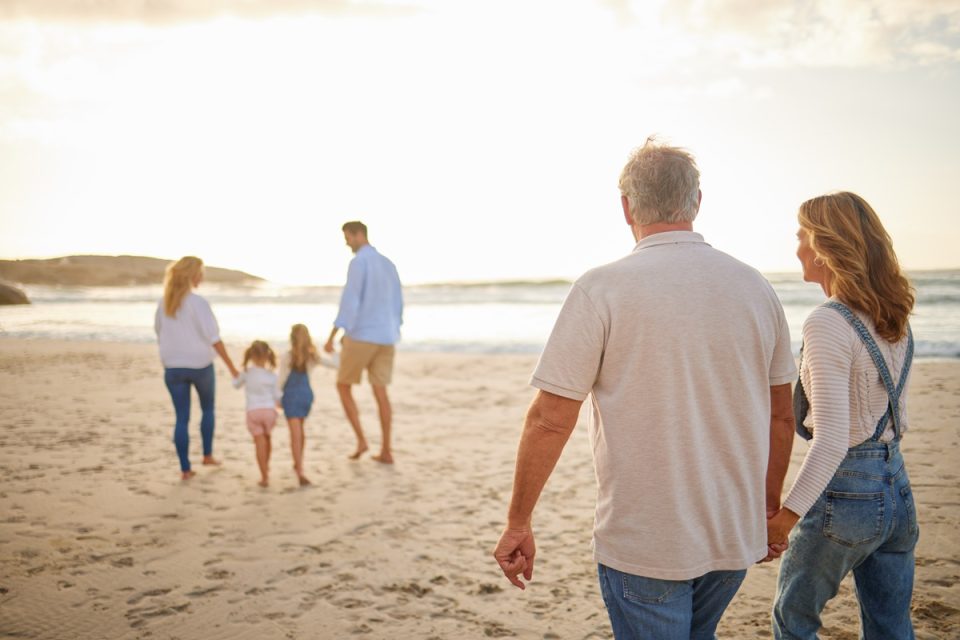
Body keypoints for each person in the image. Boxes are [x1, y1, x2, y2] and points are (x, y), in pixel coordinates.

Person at [492, 137, 798, 639]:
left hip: (646, 540)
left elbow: (550, 418)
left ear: (626, 206)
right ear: (697, 202)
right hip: (731, 531)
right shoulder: (755, 287)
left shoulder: (602, 288)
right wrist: (765, 506)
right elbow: (781, 414)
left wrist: (519, 521)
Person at [767, 192, 917, 639]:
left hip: (848, 495)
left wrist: (787, 515)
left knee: (793, 621)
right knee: (890, 625)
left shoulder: (828, 322)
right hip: (897, 489)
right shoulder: (895, 316)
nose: (796, 247)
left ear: (824, 245)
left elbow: (833, 438)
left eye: (801, 235)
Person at [324, 221, 403, 464]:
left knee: (343, 385)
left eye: (347, 237)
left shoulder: (359, 262)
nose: (346, 242)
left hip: (362, 335)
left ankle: (361, 440)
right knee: (381, 391)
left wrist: (332, 336)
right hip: (387, 336)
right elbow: (398, 303)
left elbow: (351, 300)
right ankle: (386, 450)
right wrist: (395, 328)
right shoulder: (389, 263)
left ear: (359, 235)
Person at [155, 256, 239, 480]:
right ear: (193, 275)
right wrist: (232, 368)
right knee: (207, 410)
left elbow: (159, 332)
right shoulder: (198, 303)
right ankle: (207, 455)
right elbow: (214, 338)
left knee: (181, 418)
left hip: (173, 367)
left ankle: (185, 469)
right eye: (201, 272)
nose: (202, 276)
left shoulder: (164, 303)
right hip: (200, 365)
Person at [233, 340, 282, 487]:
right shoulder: (272, 375)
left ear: (251, 355)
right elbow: (277, 396)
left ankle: (264, 476)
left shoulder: (246, 373)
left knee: (259, 443)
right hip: (269, 411)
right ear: (268, 356)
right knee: (268, 439)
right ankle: (266, 465)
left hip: (253, 411)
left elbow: (235, 385)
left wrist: (236, 374)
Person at [279, 324, 320, 486]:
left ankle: (300, 470)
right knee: (300, 432)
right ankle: (298, 463)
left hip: (291, 397)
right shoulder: (312, 357)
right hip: (306, 396)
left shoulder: (287, 357)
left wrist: (276, 397)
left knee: (294, 434)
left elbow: (281, 379)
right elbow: (335, 364)